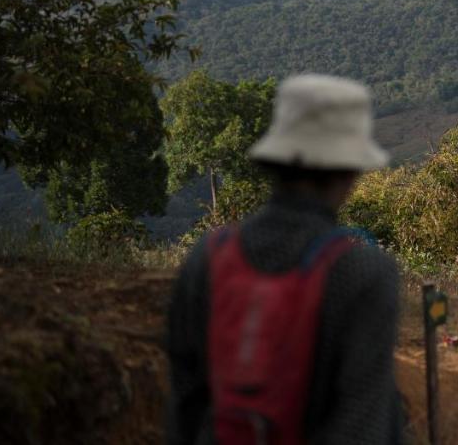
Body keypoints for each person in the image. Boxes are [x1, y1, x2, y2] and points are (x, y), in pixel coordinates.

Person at [165, 74, 402, 444]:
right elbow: (363, 425)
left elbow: (184, 405)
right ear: (350, 170)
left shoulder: (208, 256)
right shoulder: (362, 271)